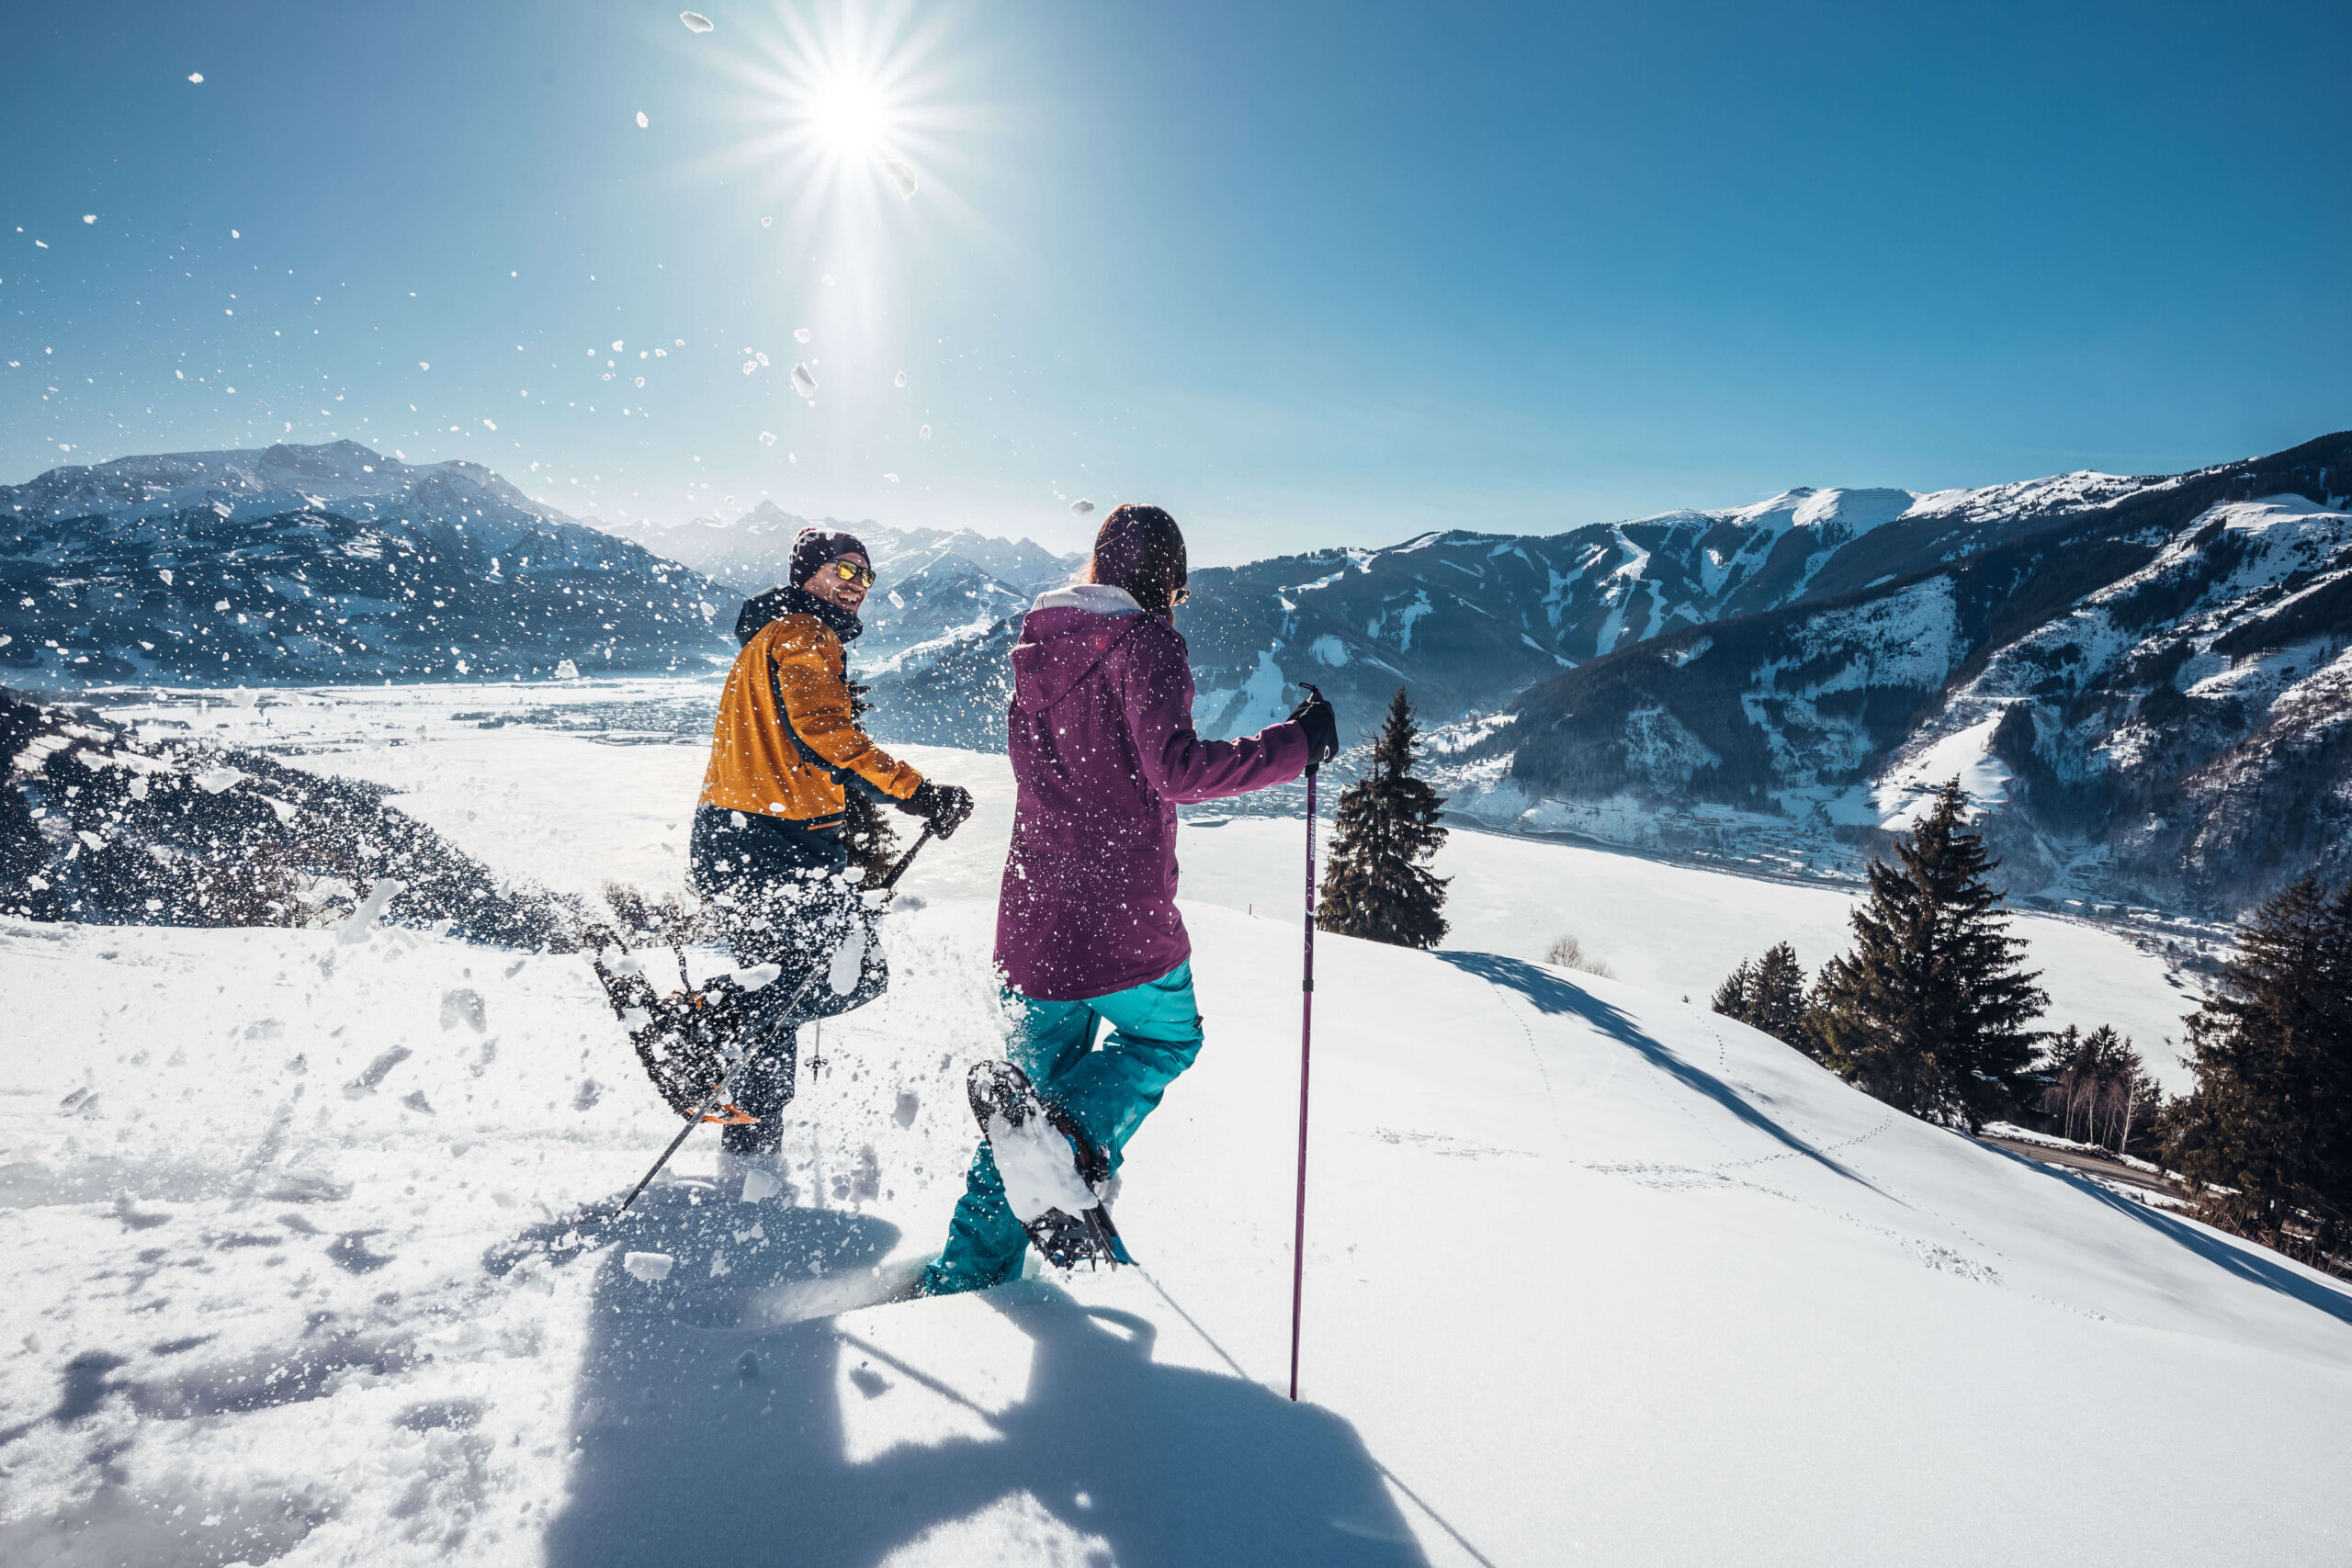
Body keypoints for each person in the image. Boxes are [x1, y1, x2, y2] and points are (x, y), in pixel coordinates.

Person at [920, 503, 1339, 1293]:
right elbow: (1175, 768)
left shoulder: (1040, 644)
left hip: (1034, 917)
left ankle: (968, 1275)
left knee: (1022, 1115)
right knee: (1166, 1040)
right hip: (1118, 922)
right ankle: (1072, 1138)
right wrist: (1298, 743)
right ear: (1166, 581)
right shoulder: (1144, 641)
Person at [691, 527, 973, 1195]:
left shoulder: (772, 636)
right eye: (843, 568)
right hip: (770, 842)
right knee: (854, 973)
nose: (855, 581)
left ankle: (752, 1155)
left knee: (778, 984)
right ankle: (705, 1015)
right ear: (808, 574)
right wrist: (920, 792)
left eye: (865, 574)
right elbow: (827, 737)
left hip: (737, 836)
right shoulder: (803, 635)